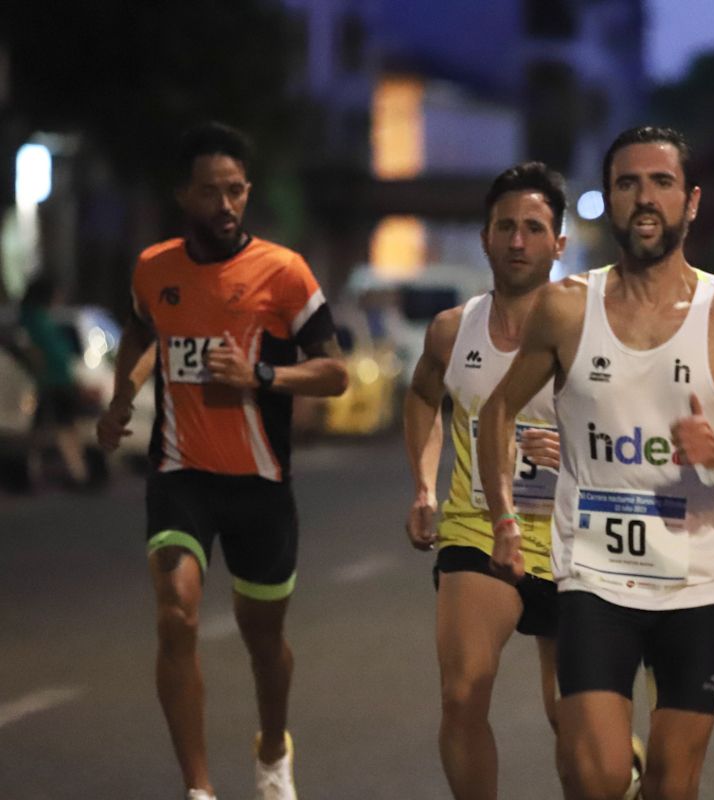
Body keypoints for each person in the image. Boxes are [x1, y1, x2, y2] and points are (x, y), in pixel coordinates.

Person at [477, 126, 714, 800]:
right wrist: (503, 521)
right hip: (593, 577)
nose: (644, 198)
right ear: (607, 198)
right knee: (595, 776)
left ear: (691, 202)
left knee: (672, 783)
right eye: (628, 183)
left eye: (661, 183)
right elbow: (498, 410)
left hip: (696, 582)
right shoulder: (566, 307)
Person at [96, 122, 348, 800]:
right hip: (181, 475)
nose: (226, 205)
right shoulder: (155, 269)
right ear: (184, 196)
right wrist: (122, 399)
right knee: (175, 612)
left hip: (261, 485)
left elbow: (334, 374)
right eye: (211, 192)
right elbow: (143, 332)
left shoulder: (284, 272)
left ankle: (272, 747)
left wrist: (261, 376)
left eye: (236, 190)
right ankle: (199, 790)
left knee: (263, 640)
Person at [402, 162, 615, 799]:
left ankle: (618, 772)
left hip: (578, 539)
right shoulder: (451, 330)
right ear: (485, 238)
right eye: (505, 227)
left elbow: (639, 432)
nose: (517, 240)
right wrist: (421, 484)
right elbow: (421, 398)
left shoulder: (595, 330)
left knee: (571, 726)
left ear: (558, 243)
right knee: (463, 691)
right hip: (478, 529)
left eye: (533, 228)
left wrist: (576, 449)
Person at [17, 273, 89, 488]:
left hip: (56, 380)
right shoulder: (32, 319)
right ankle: (76, 473)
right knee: (61, 427)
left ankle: (36, 471)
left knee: (49, 428)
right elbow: (34, 351)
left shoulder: (42, 318)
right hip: (48, 381)